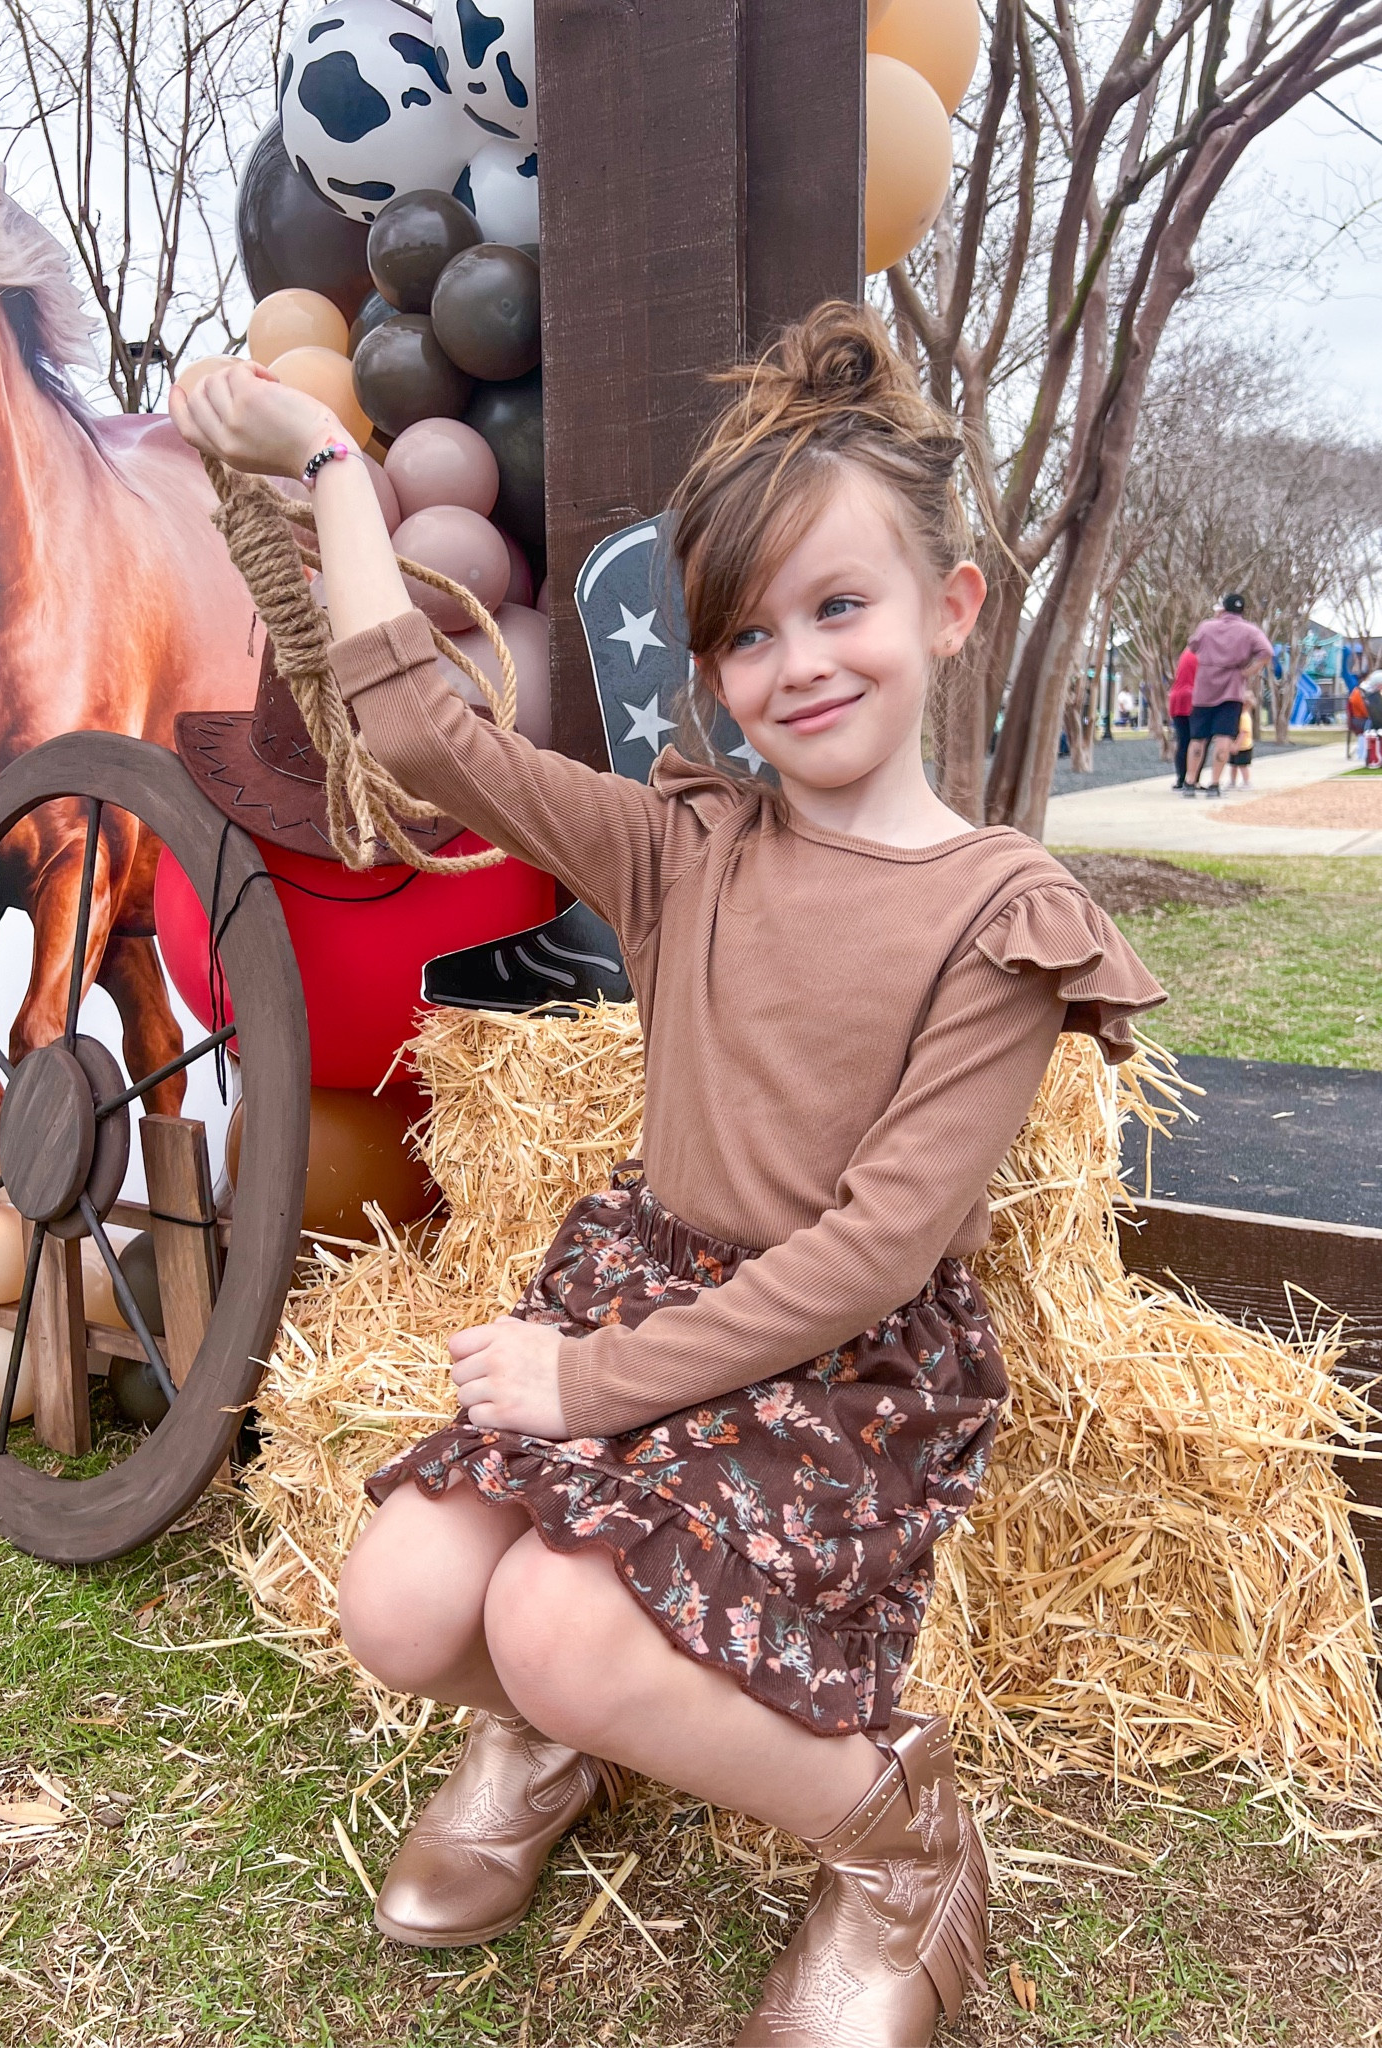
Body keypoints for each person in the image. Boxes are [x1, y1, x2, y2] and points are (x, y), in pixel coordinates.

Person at [170, 304, 1164, 2048]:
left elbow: (867, 1253)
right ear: (711, 669)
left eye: (838, 606)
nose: (797, 664)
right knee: (399, 1602)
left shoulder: (1002, 920)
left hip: (828, 1363)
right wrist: (328, 466)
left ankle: (900, 1839)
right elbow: (423, 733)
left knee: (555, 1615)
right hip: (644, 1281)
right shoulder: (682, 840)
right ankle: (555, 1738)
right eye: (747, 633)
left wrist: (585, 1383)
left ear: (950, 606)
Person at [1182, 593, 1273, 797]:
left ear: (1223, 608)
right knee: (1223, 737)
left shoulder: (1206, 626)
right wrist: (1247, 671)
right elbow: (1266, 652)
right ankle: (1214, 784)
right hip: (1231, 689)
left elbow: (1192, 645)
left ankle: (1189, 781)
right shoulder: (1250, 631)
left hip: (1204, 688)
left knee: (1197, 738)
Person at [1168, 647, 1197, 787]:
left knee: (1183, 741)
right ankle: (1192, 779)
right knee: (1197, 741)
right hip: (1193, 698)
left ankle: (1181, 778)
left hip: (1177, 698)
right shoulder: (1202, 653)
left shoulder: (1186, 652)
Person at [1228, 693, 1255, 788]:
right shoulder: (1238, 716)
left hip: (1243, 746)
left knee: (1243, 765)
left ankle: (1246, 782)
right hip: (1234, 745)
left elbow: (1243, 733)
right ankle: (1232, 781)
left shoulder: (1244, 718)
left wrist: (1236, 745)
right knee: (1233, 765)